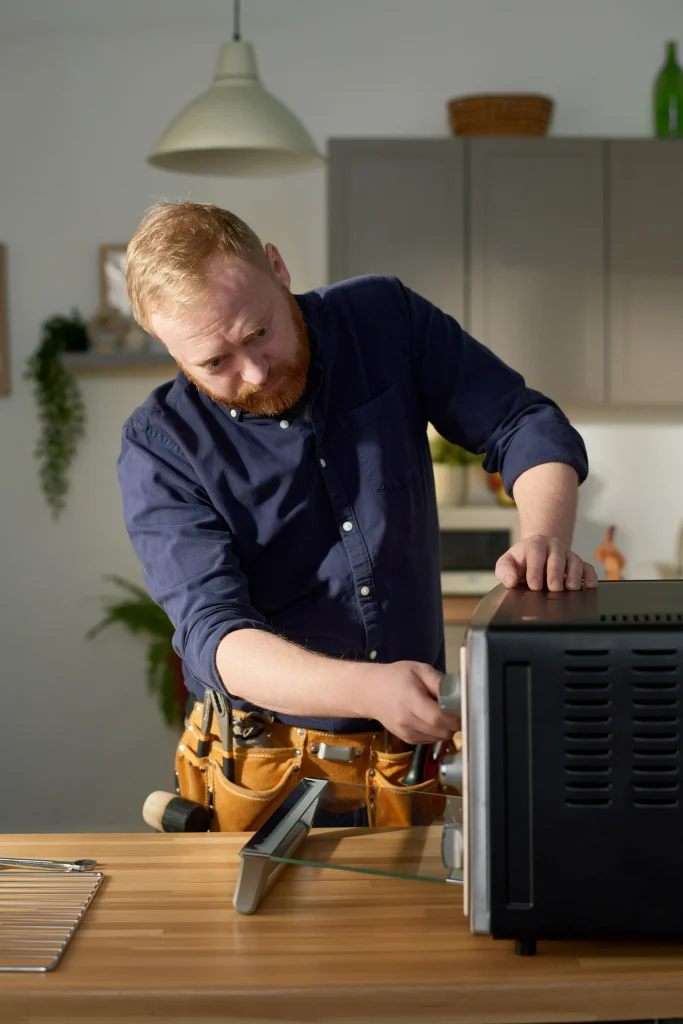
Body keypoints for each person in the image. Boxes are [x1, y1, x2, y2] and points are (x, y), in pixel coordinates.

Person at [117, 201, 597, 828]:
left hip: (414, 760)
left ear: (277, 266)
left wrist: (544, 536)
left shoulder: (382, 318)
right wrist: (369, 690)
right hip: (263, 768)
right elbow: (219, 637)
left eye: (258, 331)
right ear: (171, 349)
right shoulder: (159, 446)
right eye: (215, 363)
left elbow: (521, 421)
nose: (256, 372)